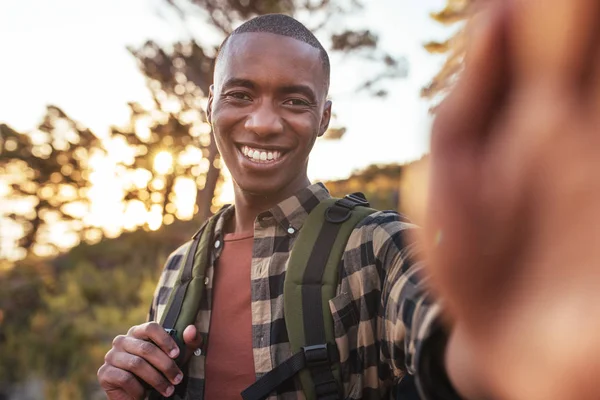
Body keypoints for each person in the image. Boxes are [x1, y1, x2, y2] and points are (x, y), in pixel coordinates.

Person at [98, 0, 600, 399]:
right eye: (240, 95)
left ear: (324, 118)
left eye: (295, 101)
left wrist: (525, 340)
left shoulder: (379, 245)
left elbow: (451, 348)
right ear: (211, 105)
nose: (264, 122)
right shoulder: (180, 268)